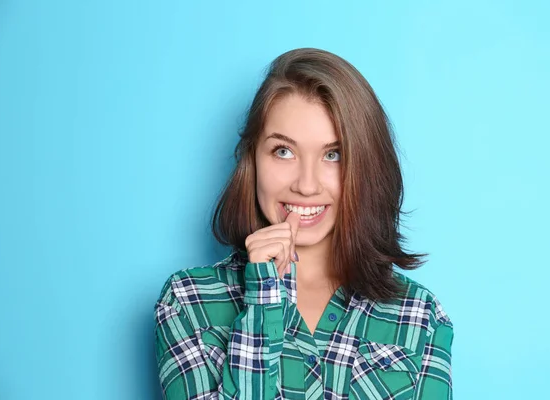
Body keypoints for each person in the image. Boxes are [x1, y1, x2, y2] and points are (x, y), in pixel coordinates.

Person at [154, 48, 454, 400]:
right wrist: (263, 300)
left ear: (365, 167)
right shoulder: (187, 303)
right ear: (251, 159)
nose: (306, 185)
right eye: (284, 151)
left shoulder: (420, 315)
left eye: (333, 155)